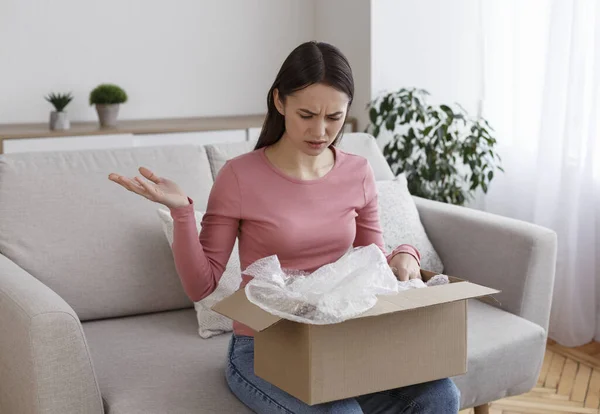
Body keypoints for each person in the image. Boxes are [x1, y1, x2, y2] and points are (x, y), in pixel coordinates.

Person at [108, 41, 460, 414]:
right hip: (263, 347)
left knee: (440, 395)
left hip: (340, 339)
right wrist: (182, 213)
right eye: (307, 114)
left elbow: (371, 261)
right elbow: (202, 283)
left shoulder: (357, 172)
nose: (321, 131)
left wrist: (405, 252)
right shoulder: (239, 176)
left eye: (334, 117)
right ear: (280, 101)